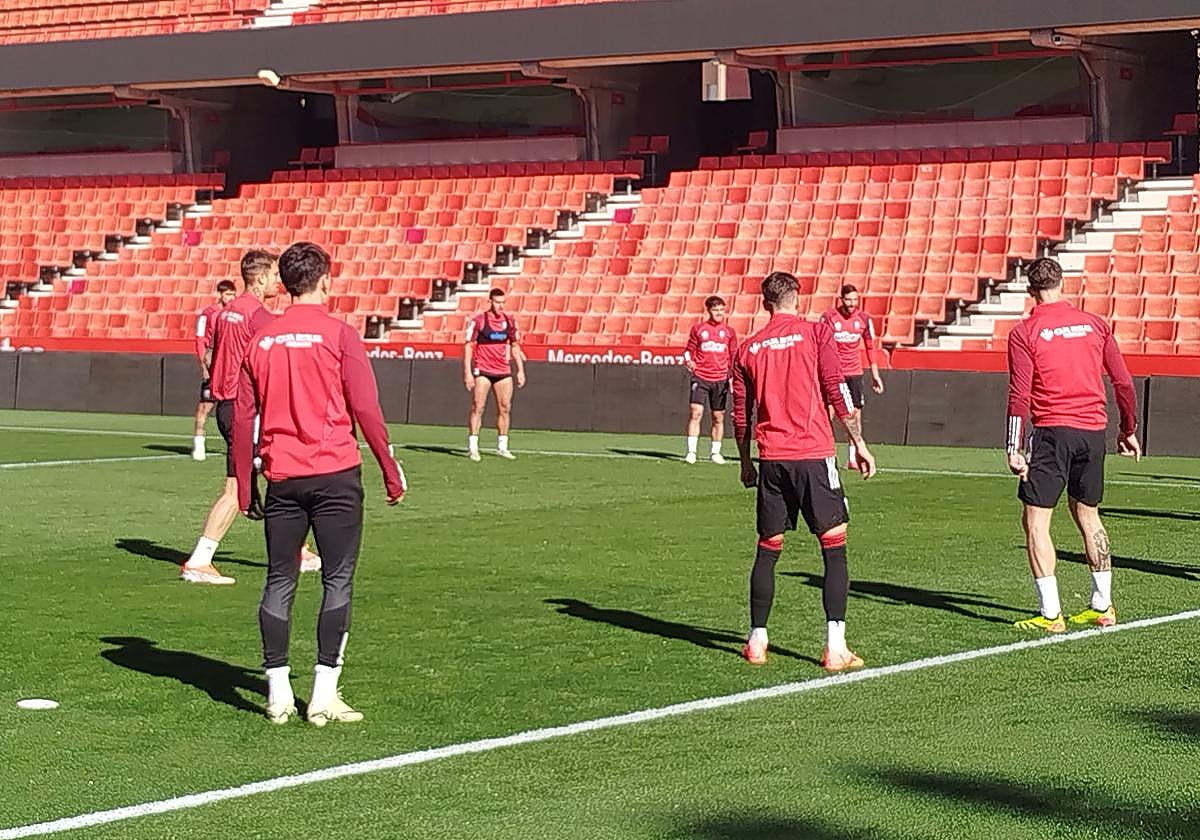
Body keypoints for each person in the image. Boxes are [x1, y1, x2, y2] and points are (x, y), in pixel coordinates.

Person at [232, 241, 405, 726]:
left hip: (282, 476)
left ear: (284, 284)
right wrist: (390, 471)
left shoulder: (260, 340)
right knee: (337, 579)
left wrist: (246, 485)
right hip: (334, 473)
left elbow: (244, 417)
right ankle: (324, 694)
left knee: (279, 579)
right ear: (326, 279)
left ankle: (278, 694)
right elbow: (366, 409)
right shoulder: (339, 335)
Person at [732, 272, 877, 672]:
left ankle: (757, 640)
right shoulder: (816, 334)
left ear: (765, 304)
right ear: (798, 298)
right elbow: (836, 388)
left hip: (772, 459)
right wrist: (858, 443)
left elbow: (740, 416)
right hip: (813, 455)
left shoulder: (748, 349)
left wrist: (746, 462)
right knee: (834, 547)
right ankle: (835, 647)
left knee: (767, 548)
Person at [1005, 257, 1140, 632]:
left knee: (1035, 520)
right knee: (1089, 515)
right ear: (1064, 284)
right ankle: (1102, 605)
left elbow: (1019, 395)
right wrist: (1128, 429)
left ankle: (1051, 614)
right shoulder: (1095, 324)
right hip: (1093, 432)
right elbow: (1124, 383)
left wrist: (1013, 446)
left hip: (1052, 432)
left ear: (1030, 292)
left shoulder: (1024, 332)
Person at [179, 250, 319, 584]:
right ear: (259, 278)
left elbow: (214, 355)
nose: (278, 281)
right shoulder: (259, 316)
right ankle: (201, 560)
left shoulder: (229, 312)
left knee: (270, 479)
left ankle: (296, 549)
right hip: (246, 410)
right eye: (273, 275)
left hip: (227, 405)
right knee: (249, 487)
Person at [819, 285, 884, 470]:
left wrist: (875, 374)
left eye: (855, 300)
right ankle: (826, 453)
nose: (852, 304)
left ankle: (853, 456)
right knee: (828, 412)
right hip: (834, 374)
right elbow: (821, 345)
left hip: (854, 373)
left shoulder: (863, 319)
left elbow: (870, 346)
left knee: (855, 414)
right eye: (848, 300)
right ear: (841, 299)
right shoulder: (829, 318)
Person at [464, 288, 526, 462]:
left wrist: (520, 370)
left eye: (502, 303)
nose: (500, 306)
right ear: (490, 302)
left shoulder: (509, 321)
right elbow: (468, 346)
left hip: (503, 371)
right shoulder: (479, 321)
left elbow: (515, 346)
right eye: (497, 302)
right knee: (478, 406)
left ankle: (502, 446)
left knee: (505, 407)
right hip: (483, 370)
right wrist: (468, 372)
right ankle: (473, 447)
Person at [683, 295, 738, 464]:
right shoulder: (698, 329)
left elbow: (733, 355)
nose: (719, 313)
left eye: (722, 310)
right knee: (696, 412)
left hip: (720, 379)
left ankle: (715, 452)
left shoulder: (729, 332)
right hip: (701, 377)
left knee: (718, 417)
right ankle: (691, 451)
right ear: (709, 310)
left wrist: (732, 377)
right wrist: (688, 360)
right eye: (715, 310)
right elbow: (688, 350)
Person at [192, 279, 237, 462]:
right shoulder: (207, 315)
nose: (231, 298)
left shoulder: (233, 315)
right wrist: (204, 365)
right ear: (219, 295)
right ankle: (199, 442)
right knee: (205, 407)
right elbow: (200, 340)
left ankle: (233, 444)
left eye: (233, 294)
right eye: (227, 294)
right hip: (212, 366)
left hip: (227, 367)